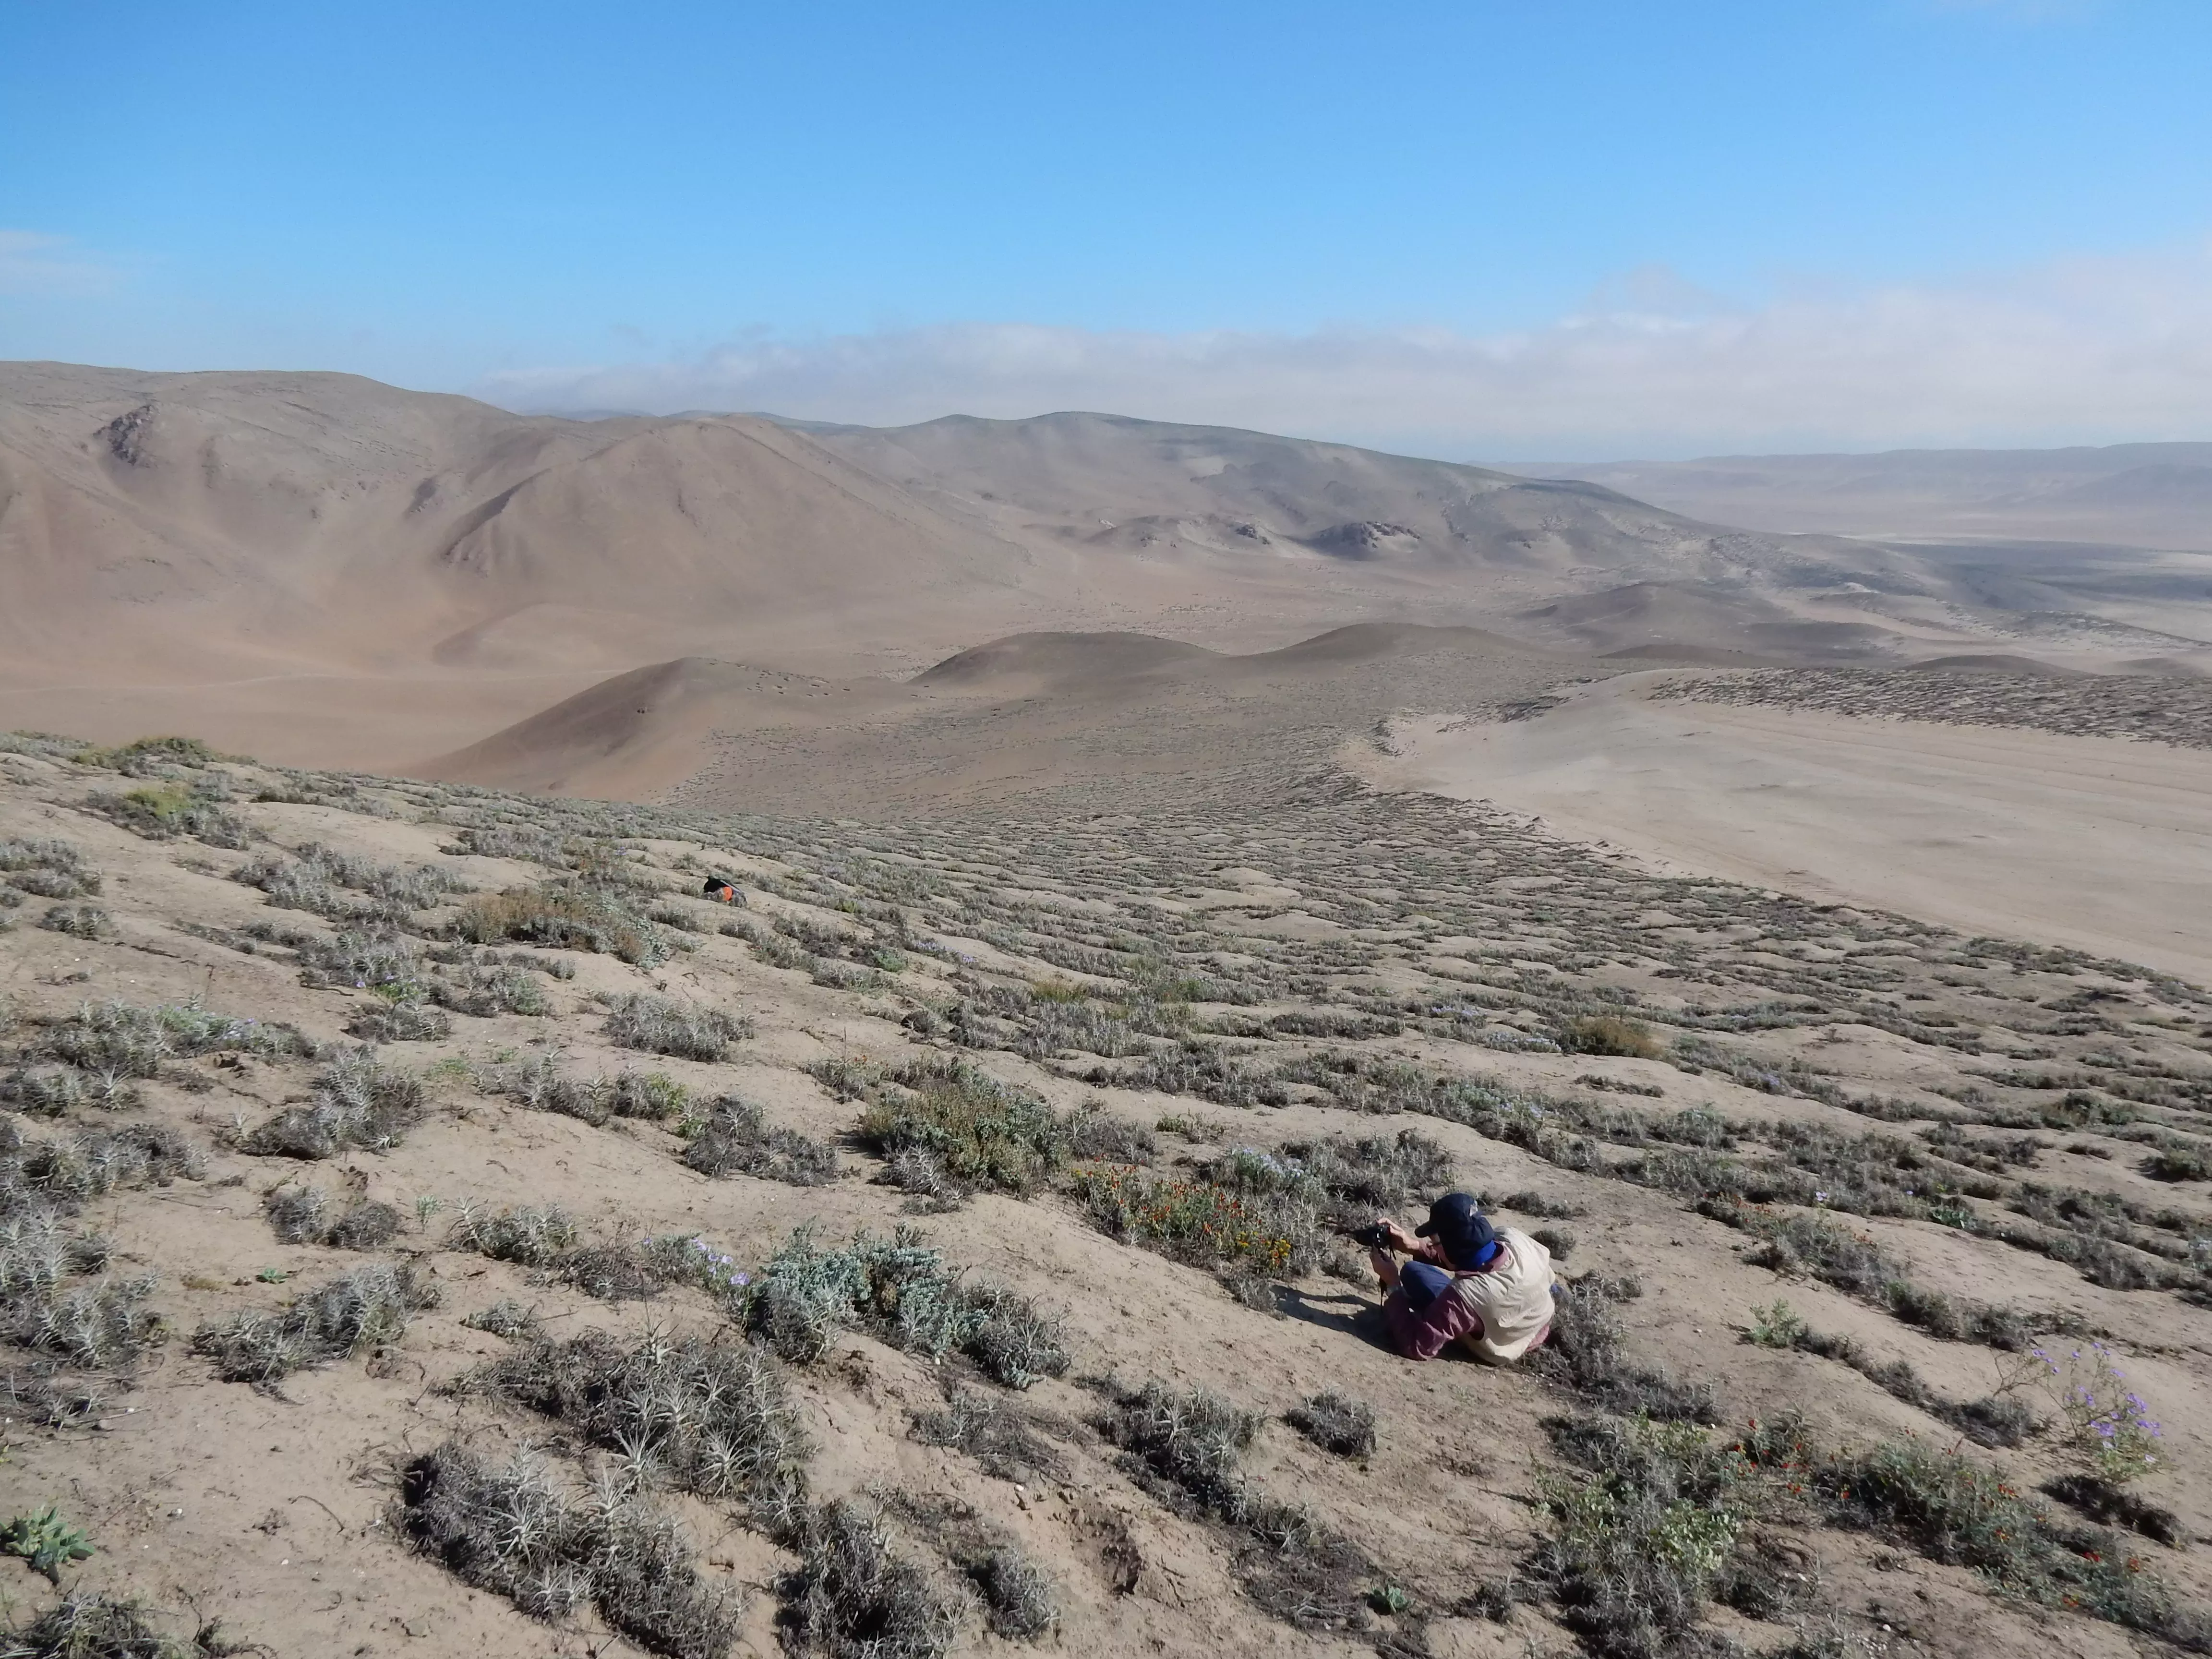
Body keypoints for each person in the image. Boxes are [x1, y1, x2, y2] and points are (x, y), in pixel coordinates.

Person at [1368, 1192, 1555, 1363]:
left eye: (1434, 1242)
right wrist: (1415, 1247)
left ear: (1451, 1247)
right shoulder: (1514, 1238)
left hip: (1501, 1344)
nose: (1432, 1246)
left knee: (1413, 1275)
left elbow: (1417, 1346)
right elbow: (1468, 1256)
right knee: (1414, 1271)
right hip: (1535, 1324)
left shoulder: (1466, 1296)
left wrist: (1393, 1284)